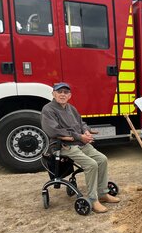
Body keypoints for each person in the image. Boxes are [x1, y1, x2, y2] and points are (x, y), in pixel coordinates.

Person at [41, 82, 120, 213]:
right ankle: (93, 200)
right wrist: (79, 136)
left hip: (78, 142)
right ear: (53, 94)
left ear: (70, 95)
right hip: (62, 146)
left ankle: (102, 193)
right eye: (59, 92)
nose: (62, 94)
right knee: (91, 164)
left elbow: (81, 123)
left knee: (102, 159)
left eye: (66, 92)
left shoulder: (71, 108)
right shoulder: (48, 109)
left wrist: (86, 131)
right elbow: (54, 131)